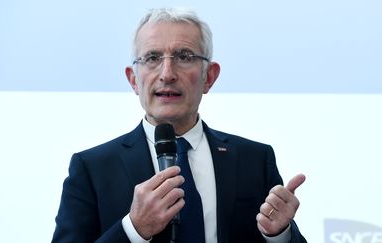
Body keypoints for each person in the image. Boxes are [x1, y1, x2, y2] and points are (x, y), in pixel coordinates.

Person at [52, 7, 307, 243]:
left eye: (184, 56)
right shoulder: (92, 168)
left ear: (210, 77)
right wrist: (133, 229)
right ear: (133, 80)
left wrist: (279, 235)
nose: (167, 73)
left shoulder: (255, 160)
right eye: (152, 57)